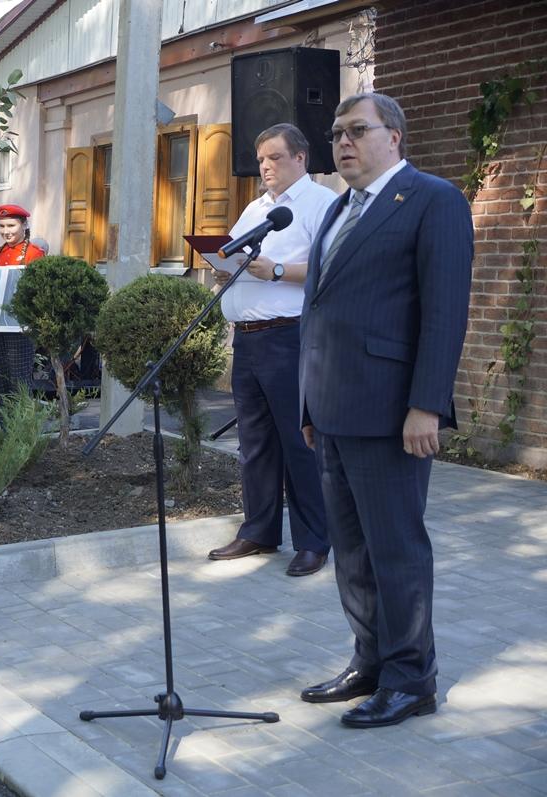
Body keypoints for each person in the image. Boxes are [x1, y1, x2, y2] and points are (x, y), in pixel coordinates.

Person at [297, 93, 473, 728]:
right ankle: (369, 661)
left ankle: (411, 678)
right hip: (335, 412)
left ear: (394, 136)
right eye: (336, 133)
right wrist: (309, 403)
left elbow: (445, 312)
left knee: (395, 549)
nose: (342, 142)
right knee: (352, 550)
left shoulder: (433, 200)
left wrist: (427, 405)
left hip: (393, 414)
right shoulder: (341, 207)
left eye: (356, 131)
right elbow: (320, 313)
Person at [205, 123, 337, 577]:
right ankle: (259, 530)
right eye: (261, 159)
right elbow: (240, 256)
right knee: (255, 443)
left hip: (289, 336)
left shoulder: (321, 204)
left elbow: (331, 268)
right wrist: (228, 271)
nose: (265, 167)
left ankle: (314, 541)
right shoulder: (256, 208)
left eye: (274, 157)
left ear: (300, 158)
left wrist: (276, 270)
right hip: (248, 339)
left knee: (298, 442)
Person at [0, 204, 44, 408]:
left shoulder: (34, 254)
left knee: (20, 382)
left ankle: (23, 434)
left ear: (24, 225)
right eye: (1, 226)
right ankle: (6, 433)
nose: (5, 231)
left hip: (20, 328)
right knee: (0, 380)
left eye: (11, 225)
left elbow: (38, 292)